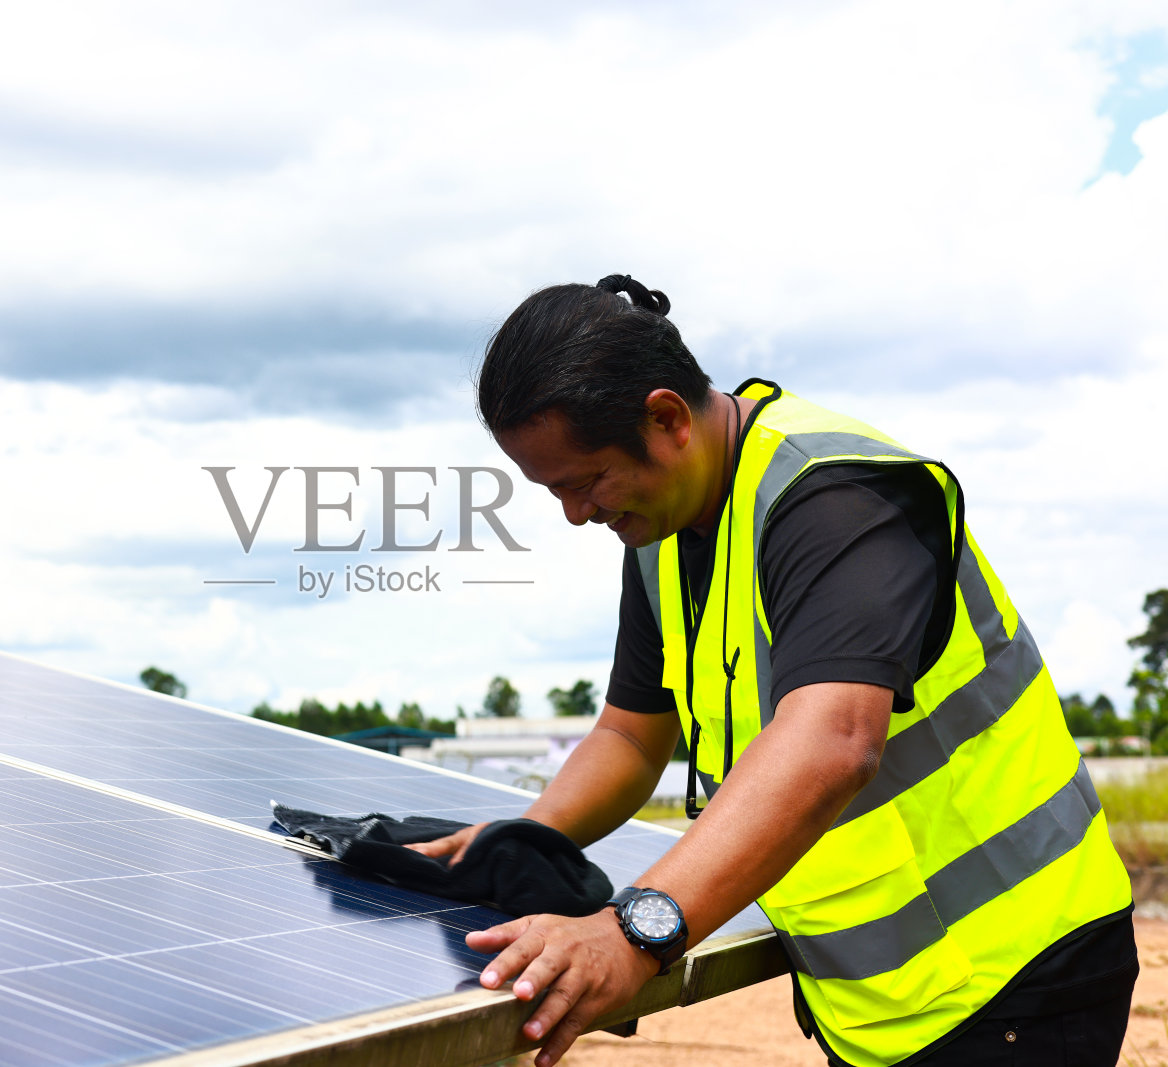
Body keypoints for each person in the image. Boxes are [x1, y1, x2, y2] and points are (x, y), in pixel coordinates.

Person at [409, 276, 1137, 1067]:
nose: (575, 513)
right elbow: (630, 735)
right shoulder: (659, 532)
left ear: (667, 418)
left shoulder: (836, 500)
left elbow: (833, 742)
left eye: (585, 482)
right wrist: (522, 838)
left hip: (1016, 974)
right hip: (888, 998)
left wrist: (634, 933)